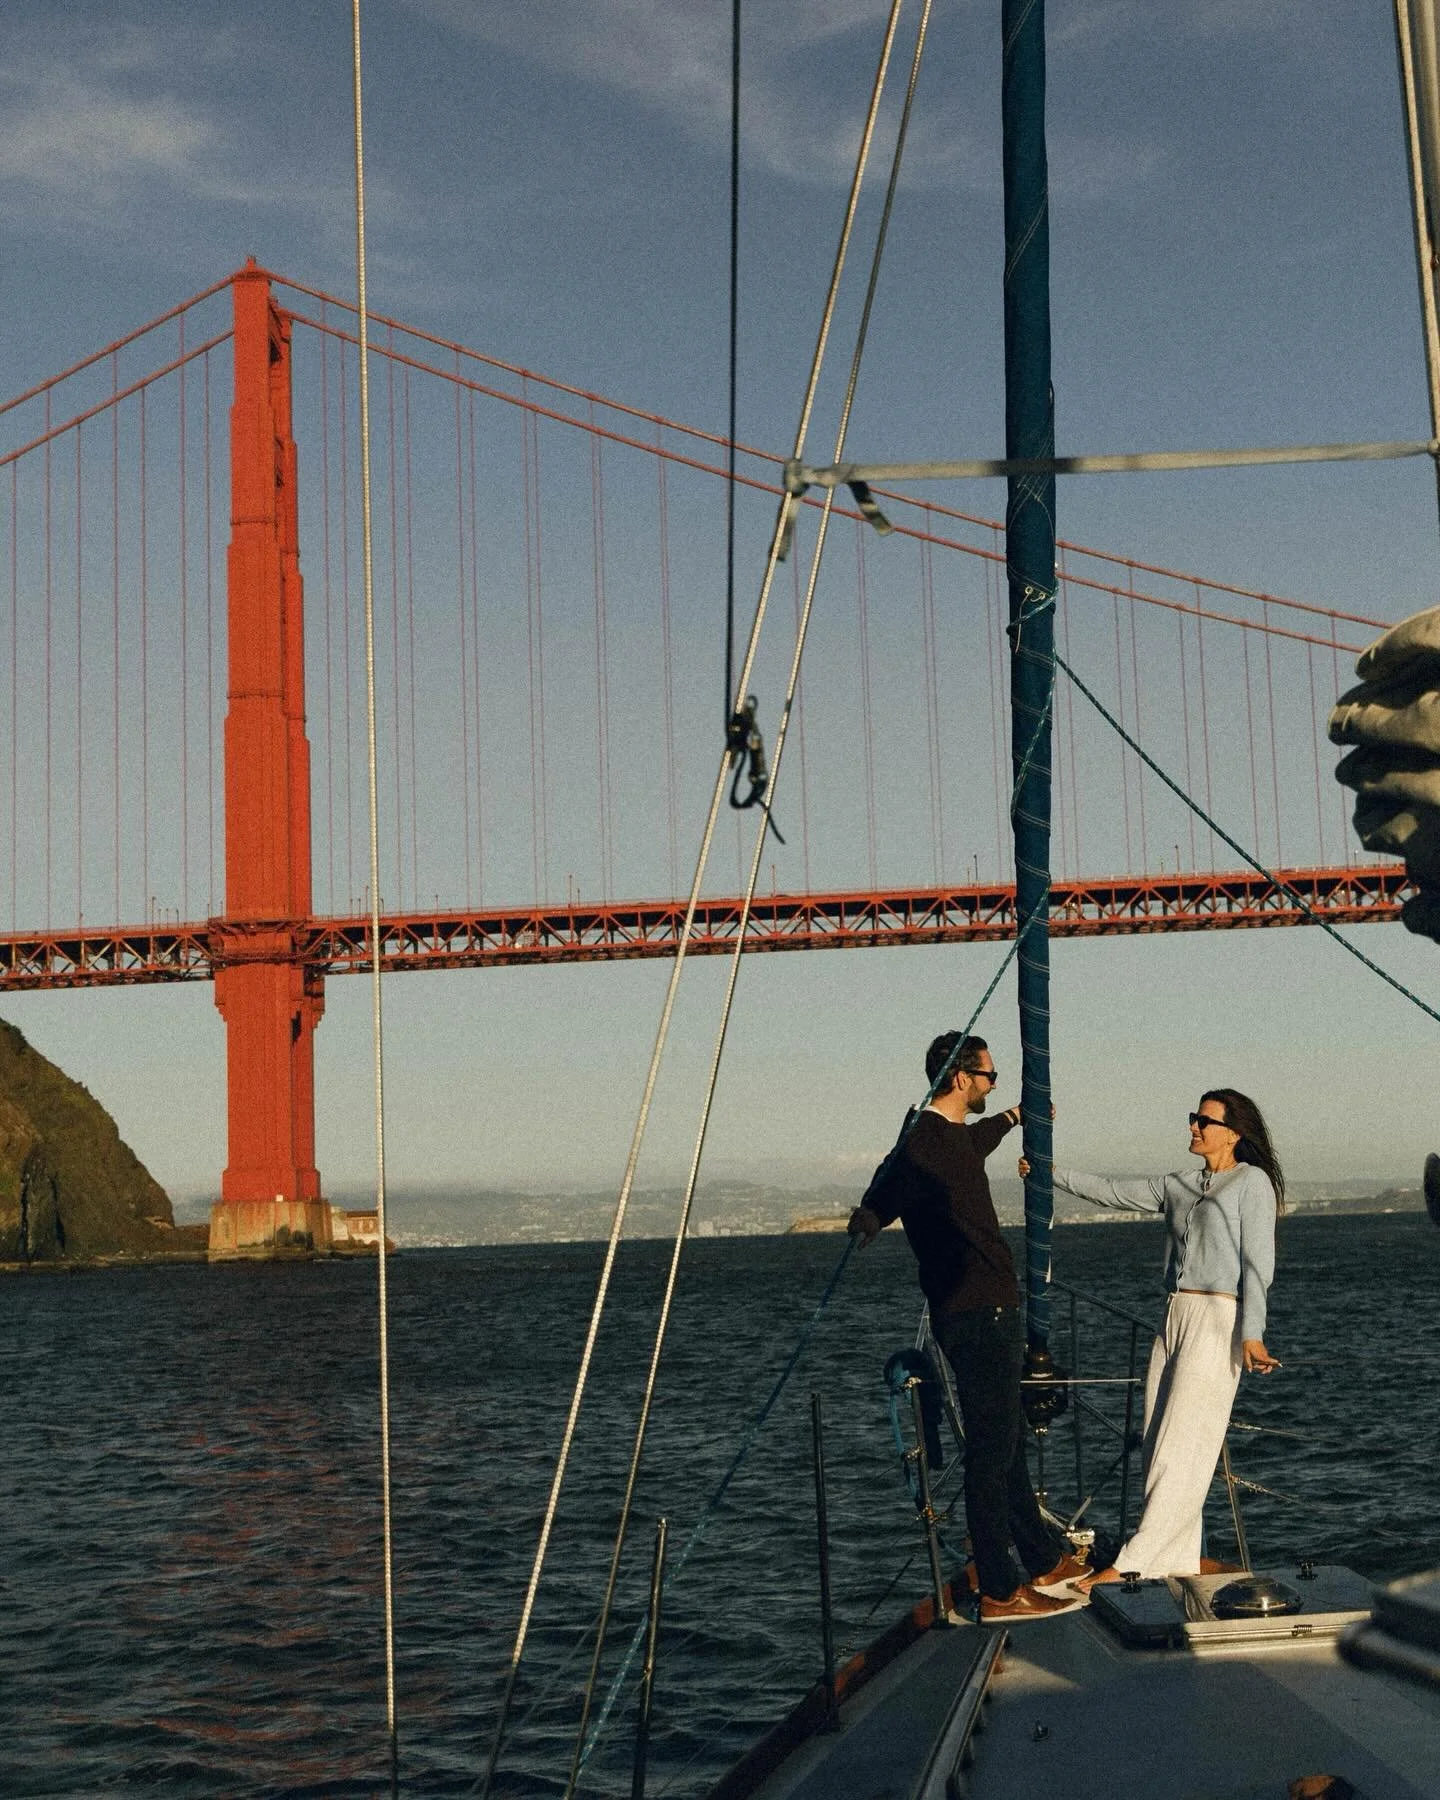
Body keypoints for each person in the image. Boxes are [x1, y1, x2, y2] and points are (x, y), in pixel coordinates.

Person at [849, 1032, 1088, 1622]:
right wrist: (873, 1213)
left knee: (1006, 1442)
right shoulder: (926, 1141)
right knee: (991, 1451)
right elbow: (894, 1181)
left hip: (982, 1308)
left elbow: (971, 1144)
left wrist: (1014, 1117)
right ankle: (1001, 1590)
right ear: (961, 1079)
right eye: (989, 1077)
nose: (992, 1085)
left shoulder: (944, 1139)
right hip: (978, 1312)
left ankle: (1041, 1560)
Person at [1044, 1088, 1283, 1589]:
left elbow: (1258, 1264)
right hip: (1173, 1315)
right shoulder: (1179, 1183)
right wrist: (1048, 1170)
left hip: (1217, 1317)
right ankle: (1175, 1555)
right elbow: (1112, 1191)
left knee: (1182, 1443)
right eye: (1194, 1117)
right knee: (1158, 1440)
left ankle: (1136, 1559)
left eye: (1204, 1120)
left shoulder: (1252, 1182)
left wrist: (1253, 1335)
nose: (1193, 1126)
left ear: (1233, 1133)